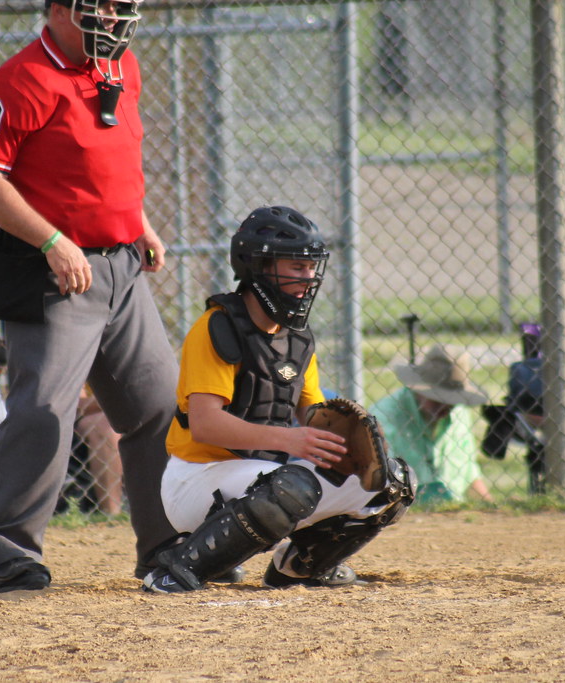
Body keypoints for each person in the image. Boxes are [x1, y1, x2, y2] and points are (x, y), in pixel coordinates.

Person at [0, 0, 180, 592]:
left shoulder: (122, 65)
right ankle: (9, 554)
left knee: (158, 405)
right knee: (44, 412)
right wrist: (54, 242)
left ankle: (168, 548)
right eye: (99, 6)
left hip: (122, 266)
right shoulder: (21, 80)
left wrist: (141, 224)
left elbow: (112, 163)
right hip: (55, 273)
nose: (113, 18)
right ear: (59, 8)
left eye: (120, 6)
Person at [142, 206, 415, 593]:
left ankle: (299, 566)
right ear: (259, 266)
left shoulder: (298, 340)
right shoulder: (217, 327)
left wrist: (353, 437)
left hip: (259, 477)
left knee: (393, 483)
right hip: (196, 478)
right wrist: (290, 441)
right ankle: (179, 568)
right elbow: (205, 424)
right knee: (294, 485)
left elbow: (315, 416)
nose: (309, 279)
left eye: (311, 268)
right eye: (297, 268)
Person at [371, 345, 495, 505]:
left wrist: (491, 505)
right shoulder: (383, 418)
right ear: (419, 390)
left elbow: (470, 474)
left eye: (451, 401)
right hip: (402, 508)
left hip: (453, 510)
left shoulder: (459, 412)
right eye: (437, 399)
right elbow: (379, 485)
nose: (445, 406)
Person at [74, 385, 123, 515]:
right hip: (82, 420)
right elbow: (77, 405)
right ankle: (111, 512)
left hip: (125, 411)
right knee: (104, 426)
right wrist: (117, 400)